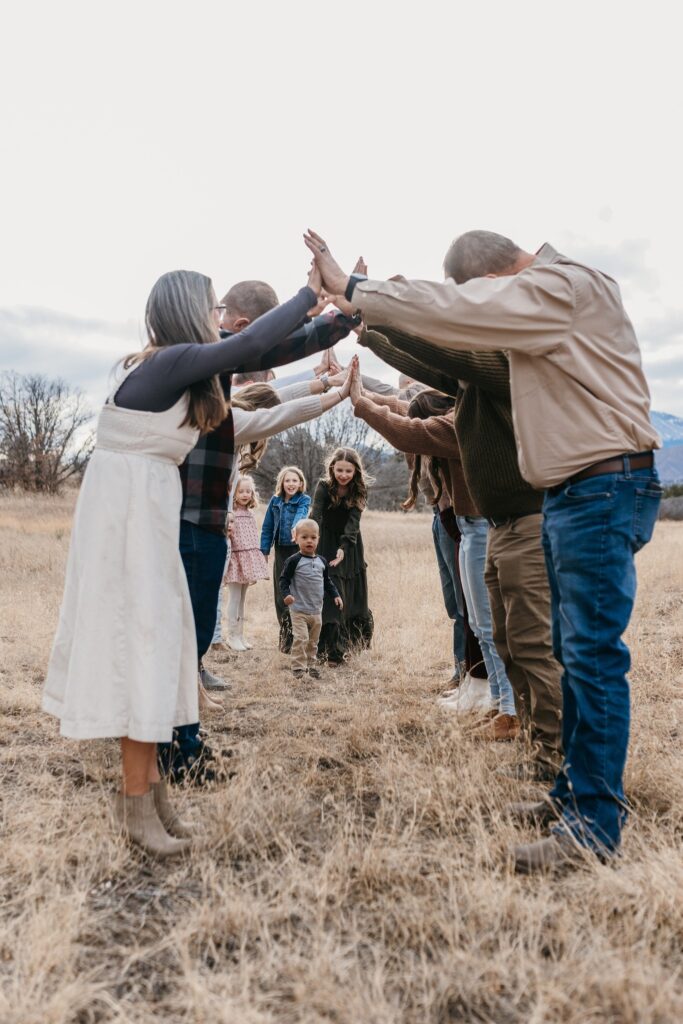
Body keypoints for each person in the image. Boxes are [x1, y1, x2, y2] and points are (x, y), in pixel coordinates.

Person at [305, 227, 662, 871]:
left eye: (479, 299)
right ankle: (571, 796)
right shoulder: (546, 311)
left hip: (601, 488)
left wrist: (359, 291)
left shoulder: (562, 285)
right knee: (567, 651)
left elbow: (459, 318)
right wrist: (366, 316)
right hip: (576, 491)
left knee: (591, 657)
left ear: (495, 284)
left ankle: (593, 829)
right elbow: (452, 353)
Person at [42, 264, 325, 857]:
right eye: (209, 306)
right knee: (142, 649)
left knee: (161, 650)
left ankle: (151, 796)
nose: (215, 317)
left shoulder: (176, 367)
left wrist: (339, 321)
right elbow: (250, 343)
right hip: (130, 522)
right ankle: (136, 805)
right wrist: (310, 294)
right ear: (187, 310)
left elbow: (268, 348)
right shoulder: (164, 363)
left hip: (143, 514)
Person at [160, 277, 356, 783]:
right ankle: (175, 747)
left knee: (191, 634)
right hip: (188, 523)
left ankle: (182, 741)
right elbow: (268, 382)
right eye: (214, 308)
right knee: (186, 635)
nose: (219, 315)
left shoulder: (205, 377)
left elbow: (266, 401)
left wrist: (325, 384)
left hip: (196, 523)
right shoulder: (196, 364)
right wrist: (338, 314)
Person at [358, 327, 563, 775]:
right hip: (486, 526)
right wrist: (369, 331)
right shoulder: (467, 396)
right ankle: (511, 714)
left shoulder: (469, 406)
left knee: (504, 630)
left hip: (492, 525)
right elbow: (408, 387)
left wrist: (375, 333)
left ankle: (523, 723)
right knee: (495, 630)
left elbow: (408, 423)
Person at [351, 375, 517, 732]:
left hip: (478, 526)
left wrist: (362, 403)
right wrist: (360, 393)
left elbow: (410, 430)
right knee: (481, 624)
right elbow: (407, 412)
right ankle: (502, 707)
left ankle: (509, 710)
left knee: (487, 625)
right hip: (472, 525)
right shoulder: (462, 415)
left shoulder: (462, 422)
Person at [310, 444, 374, 664]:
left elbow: (353, 523)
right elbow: (315, 514)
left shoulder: (360, 490)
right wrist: (310, 537)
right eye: (340, 470)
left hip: (350, 545)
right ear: (332, 469)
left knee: (350, 595)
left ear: (355, 470)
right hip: (326, 543)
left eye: (348, 471)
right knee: (331, 593)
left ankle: (344, 647)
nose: (344, 475)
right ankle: (327, 650)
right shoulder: (323, 486)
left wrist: (344, 547)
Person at [279, 519, 343, 678]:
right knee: (301, 638)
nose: (309, 541)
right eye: (304, 537)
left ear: (318, 539)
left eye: (313, 538)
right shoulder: (294, 560)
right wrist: (286, 594)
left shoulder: (321, 561)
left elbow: (327, 581)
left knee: (313, 641)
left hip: (316, 610)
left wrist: (335, 595)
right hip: (299, 609)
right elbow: (284, 579)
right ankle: (298, 668)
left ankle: (311, 665)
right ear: (296, 538)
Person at [260, 465, 312, 648]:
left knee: (298, 592)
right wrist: (264, 551)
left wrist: (296, 526)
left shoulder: (304, 500)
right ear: (282, 482)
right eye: (287, 480)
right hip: (281, 551)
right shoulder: (275, 501)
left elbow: (302, 513)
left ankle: (302, 638)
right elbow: (267, 528)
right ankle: (286, 639)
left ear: (300, 483)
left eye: (294, 480)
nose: (291, 484)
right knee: (282, 593)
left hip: (297, 552)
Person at [222, 475, 268, 651]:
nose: (245, 494)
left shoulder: (249, 513)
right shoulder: (230, 512)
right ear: (234, 492)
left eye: (248, 491)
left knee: (242, 599)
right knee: (234, 598)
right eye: (241, 491)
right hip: (236, 560)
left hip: (248, 559)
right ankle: (231, 636)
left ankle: (240, 635)